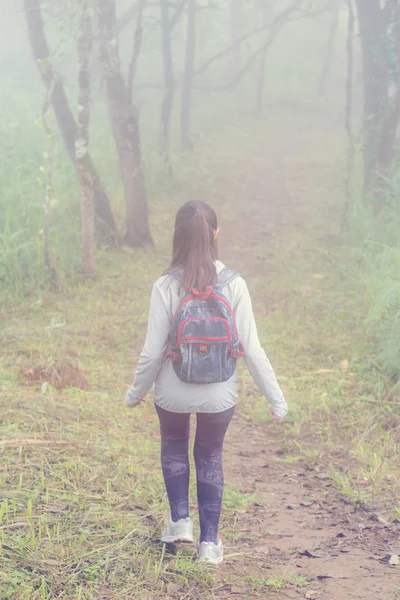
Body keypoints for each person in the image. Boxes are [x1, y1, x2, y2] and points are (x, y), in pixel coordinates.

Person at [126, 200, 288, 565]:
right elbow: (253, 349)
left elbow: (152, 353)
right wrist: (276, 400)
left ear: (175, 235)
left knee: (173, 444)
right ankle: (210, 545)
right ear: (216, 234)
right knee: (210, 455)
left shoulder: (165, 285)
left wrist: (135, 393)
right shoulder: (234, 284)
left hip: (172, 390)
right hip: (220, 392)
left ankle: (180, 522)